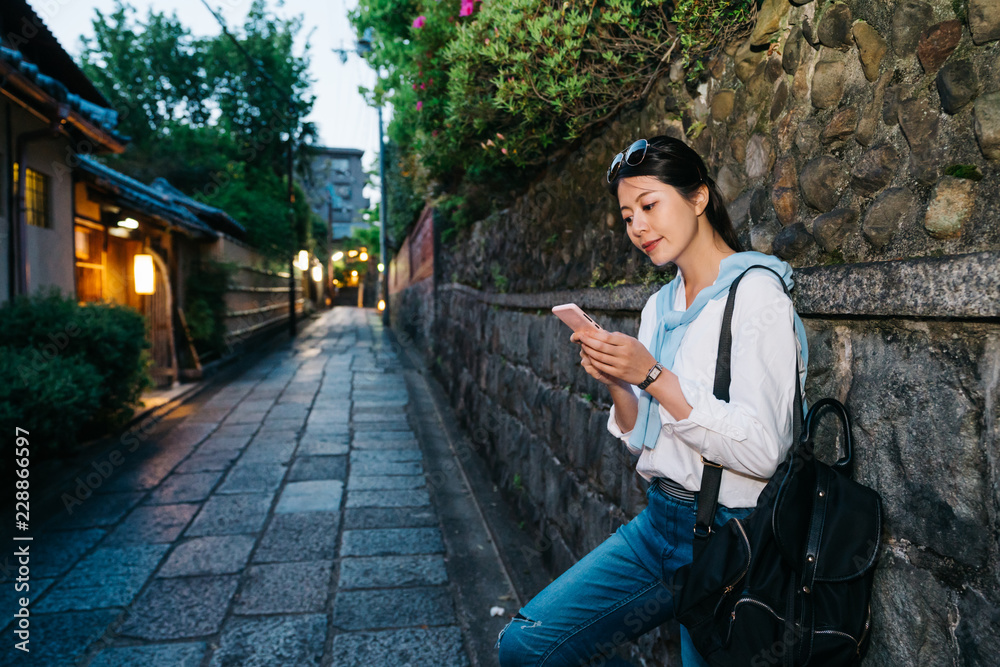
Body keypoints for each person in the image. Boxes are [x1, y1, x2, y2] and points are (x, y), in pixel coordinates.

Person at [495, 135, 809, 667]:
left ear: (698, 198)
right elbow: (644, 436)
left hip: (731, 540)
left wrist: (654, 375)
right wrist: (618, 381)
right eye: (626, 216)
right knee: (526, 645)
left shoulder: (755, 295)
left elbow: (763, 452)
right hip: (659, 524)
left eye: (648, 205)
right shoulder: (660, 305)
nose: (637, 226)